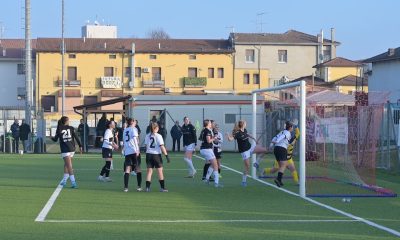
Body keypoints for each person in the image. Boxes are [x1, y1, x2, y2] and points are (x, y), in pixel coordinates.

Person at [227, 120, 267, 187]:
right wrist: (228, 135)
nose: (246, 124)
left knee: (265, 150)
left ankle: (256, 163)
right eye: (245, 123)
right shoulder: (238, 133)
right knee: (247, 166)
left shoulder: (245, 130)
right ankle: (244, 181)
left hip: (251, 147)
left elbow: (248, 134)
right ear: (242, 124)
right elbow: (230, 139)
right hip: (244, 152)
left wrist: (254, 139)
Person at [51, 116, 82, 188]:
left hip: (65, 149)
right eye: (68, 120)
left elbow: (55, 139)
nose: (69, 121)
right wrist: (80, 146)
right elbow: (76, 137)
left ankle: (73, 183)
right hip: (72, 148)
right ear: (66, 121)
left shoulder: (59, 128)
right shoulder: (71, 128)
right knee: (66, 165)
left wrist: (51, 137)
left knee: (69, 166)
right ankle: (64, 181)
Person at [145, 122, 170, 192]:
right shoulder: (159, 136)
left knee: (149, 172)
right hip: (156, 155)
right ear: (156, 128)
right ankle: (162, 188)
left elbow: (146, 146)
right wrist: (166, 156)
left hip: (148, 155)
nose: (158, 128)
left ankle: (147, 188)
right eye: (158, 127)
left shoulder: (147, 135)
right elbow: (162, 146)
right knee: (160, 171)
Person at [270, 121, 295, 187]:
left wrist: (271, 145)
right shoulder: (287, 133)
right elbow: (282, 137)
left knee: (281, 165)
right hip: (282, 149)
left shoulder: (281, 131)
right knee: (283, 165)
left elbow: (275, 137)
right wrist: (277, 141)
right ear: (290, 127)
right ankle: (278, 179)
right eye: (292, 127)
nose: (292, 128)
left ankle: (280, 180)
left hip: (276, 149)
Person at [199, 119, 222, 188]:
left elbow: (202, 139)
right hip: (206, 149)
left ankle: (206, 179)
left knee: (212, 165)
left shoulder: (205, 130)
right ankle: (216, 183)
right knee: (216, 166)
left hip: (206, 149)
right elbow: (208, 141)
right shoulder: (207, 131)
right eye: (210, 123)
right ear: (208, 124)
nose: (211, 124)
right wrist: (214, 138)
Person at [122, 118, 141, 192]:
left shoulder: (125, 130)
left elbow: (124, 141)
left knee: (127, 169)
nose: (135, 122)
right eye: (135, 121)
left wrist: (124, 150)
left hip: (127, 151)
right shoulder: (134, 129)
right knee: (138, 168)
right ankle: (139, 186)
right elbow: (136, 140)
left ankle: (126, 187)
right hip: (134, 151)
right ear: (132, 122)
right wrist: (137, 149)